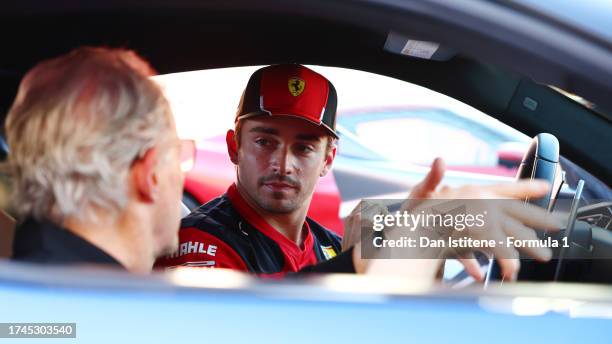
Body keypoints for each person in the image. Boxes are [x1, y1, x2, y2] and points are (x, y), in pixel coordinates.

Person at [156, 64, 563, 280]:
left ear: (328, 159)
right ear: (234, 147)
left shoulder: (329, 244)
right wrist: (364, 263)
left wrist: (427, 260)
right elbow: (239, 325)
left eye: (304, 147)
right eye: (265, 141)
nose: (283, 163)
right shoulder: (199, 244)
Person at [6, 47, 190, 273]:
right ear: (149, 174)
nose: (181, 175)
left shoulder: (18, 284)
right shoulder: (122, 304)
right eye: (178, 157)